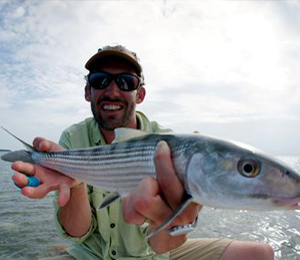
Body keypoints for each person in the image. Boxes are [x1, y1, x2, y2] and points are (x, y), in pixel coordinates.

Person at [11, 45, 274, 260]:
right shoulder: (72, 139)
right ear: (87, 92)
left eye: (126, 82)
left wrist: (182, 216)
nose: (112, 90)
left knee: (260, 253)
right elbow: (78, 232)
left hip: (152, 255)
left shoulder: (168, 148)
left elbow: (161, 247)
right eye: (100, 80)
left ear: (141, 94)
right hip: (90, 254)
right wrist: (76, 182)